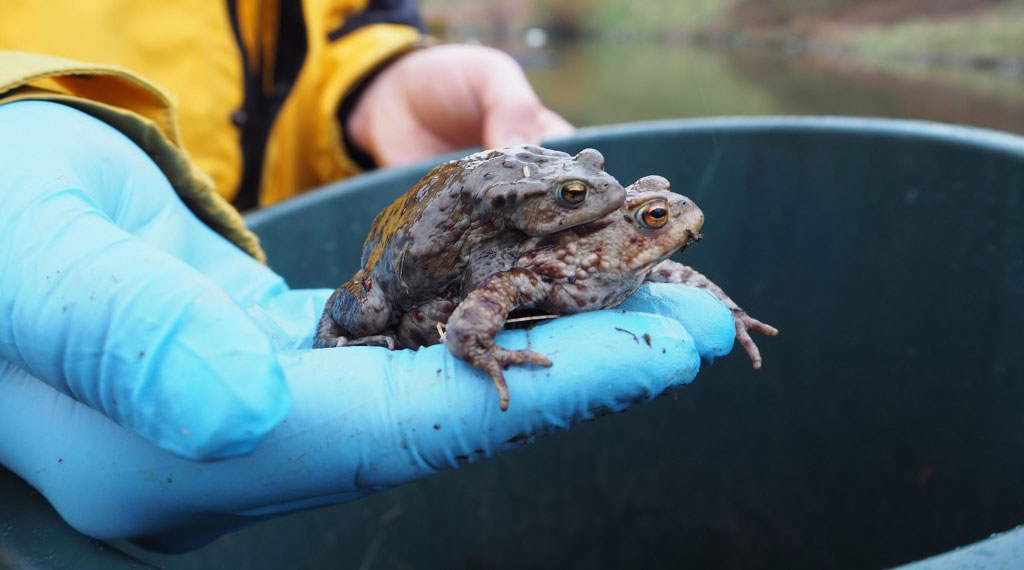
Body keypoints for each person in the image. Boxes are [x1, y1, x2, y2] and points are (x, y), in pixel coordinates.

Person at [0, 1, 737, 551]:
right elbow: (491, 291)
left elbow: (334, 33)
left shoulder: (536, 222)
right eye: (579, 202)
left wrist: (374, 83)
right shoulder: (516, 244)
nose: (601, 209)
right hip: (372, 275)